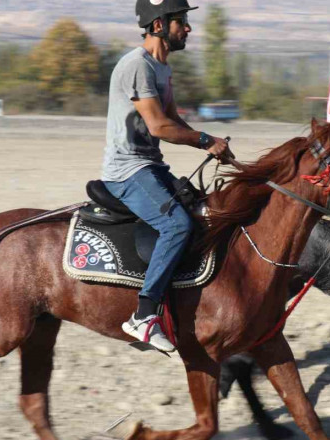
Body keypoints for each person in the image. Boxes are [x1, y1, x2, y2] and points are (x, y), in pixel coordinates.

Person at [101, 0, 231, 352]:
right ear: (159, 25)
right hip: (128, 170)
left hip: (152, 166)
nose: (187, 28)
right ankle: (143, 315)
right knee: (177, 225)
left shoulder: (162, 68)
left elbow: (173, 121)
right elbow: (159, 127)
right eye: (181, 21)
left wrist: (210, 147)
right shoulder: (137, 66)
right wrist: (206, 140)